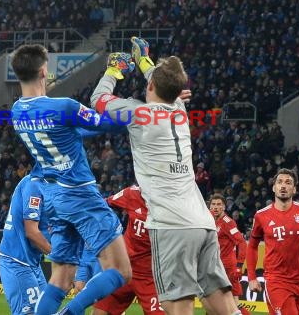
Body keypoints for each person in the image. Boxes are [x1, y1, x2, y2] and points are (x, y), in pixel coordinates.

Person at [90, 37, 240, 315]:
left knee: (179, 306)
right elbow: (164, 84)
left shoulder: (139, 113)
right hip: (203, 222)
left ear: (149, 87)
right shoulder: (180, 110)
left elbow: (98, 100)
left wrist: (113, 70)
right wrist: (144, 60)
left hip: (172, 225)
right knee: (224, 304)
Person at [10, 44, 132, 315]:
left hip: (54, 198)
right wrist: (150, 111)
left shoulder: (17, 111)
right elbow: (108, 123)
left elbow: (73, 132)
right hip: (80, 194)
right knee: (121, 270)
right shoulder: (64, 106)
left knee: (62, 276)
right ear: (44, 71)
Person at [247, 168, 299, 315]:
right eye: (280, 182)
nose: (283, 186)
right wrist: (251, 276)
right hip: (277, 281)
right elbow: (252, 246)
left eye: (288, 182)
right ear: (273, 187)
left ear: (294, 189)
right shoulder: (261, 215)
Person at [93, 185, 164, 315]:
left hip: (150, 277)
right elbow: (103, 204)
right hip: (124, 269)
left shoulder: (171, 204)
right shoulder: (132, 193)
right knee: (99, 311)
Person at [0, 175, 51, 315]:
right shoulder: (35, 184)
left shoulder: (47, 184)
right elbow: (32, 233)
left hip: (32, 261)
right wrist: (63, 260)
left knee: (45, 311)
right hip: (18, 261)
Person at [209, 194, 250, 315]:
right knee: (213, 302)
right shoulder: (210, 220)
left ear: (224, 207)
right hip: (215, 267)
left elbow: (242, 243)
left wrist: (239, 266)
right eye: (213, 204)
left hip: (228, 269)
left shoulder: (228, 222)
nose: (216, 207)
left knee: (234, 303)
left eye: (219, 204)